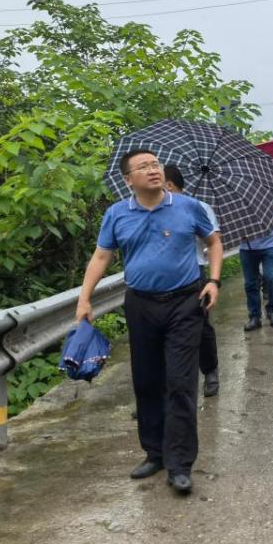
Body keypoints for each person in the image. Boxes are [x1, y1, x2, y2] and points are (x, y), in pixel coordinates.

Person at [76, 149, 223, 495]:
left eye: (155, 164)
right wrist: (84, 298)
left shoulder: (188, 206)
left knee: (181, 382)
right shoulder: (117, 214)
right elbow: (102, 256)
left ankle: (180, 463)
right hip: (141, 304)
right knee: (146, 381)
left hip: (185, 302)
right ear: (128, 179)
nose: (153, 170)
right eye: (143, 167)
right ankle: (154, 453)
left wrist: (214, 281)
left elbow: (214, 242)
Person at [163, 165, 221, 397]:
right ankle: (163, 387)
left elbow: (214, 240)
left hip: (194, 270)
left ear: (169, 185)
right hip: (164, 275)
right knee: (162, 330)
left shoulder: (200, 207)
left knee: (201, 324)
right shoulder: (151, 209)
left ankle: (210, 370)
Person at [239, 204, 273, 331]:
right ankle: (255, 317)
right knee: (250, 283)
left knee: (272, 277)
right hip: (247, 246)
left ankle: (272, 311)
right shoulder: (236, 200)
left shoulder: (268, 196)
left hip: (270, 243)